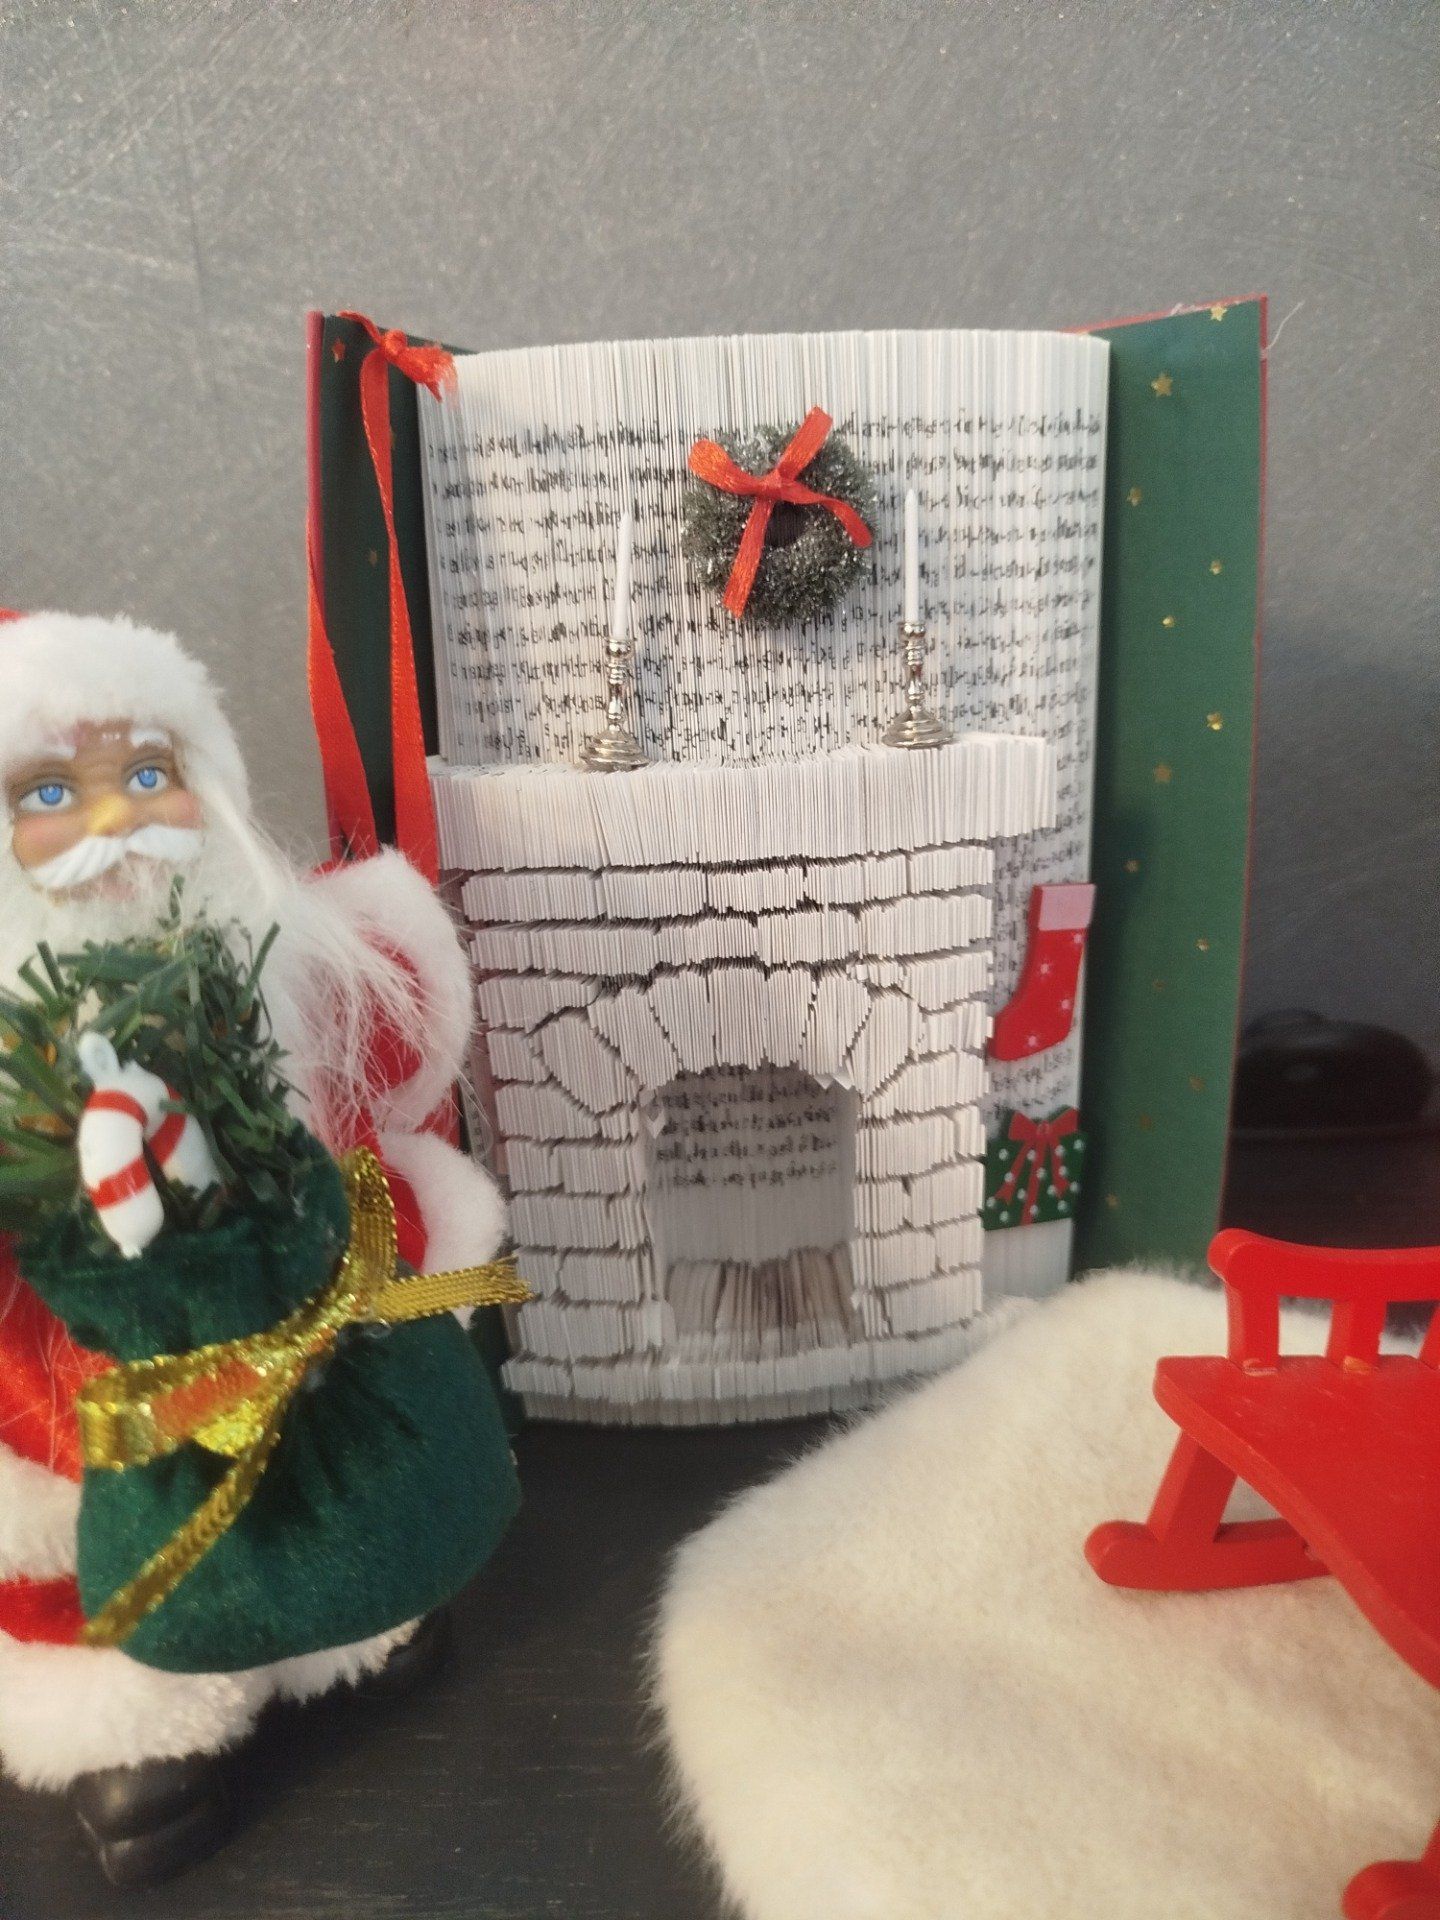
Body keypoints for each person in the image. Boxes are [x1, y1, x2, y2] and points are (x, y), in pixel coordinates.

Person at [0, 610, 507, 1885]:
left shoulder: (280, 965)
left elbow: (370, 1102)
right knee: (79, 1532)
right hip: (79, 1386)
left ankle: (354, 1606)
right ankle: (145, 1723)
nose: (119, 821)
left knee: (353, 1463)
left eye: (148, 772)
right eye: (50, 792)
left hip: (311, 1326)